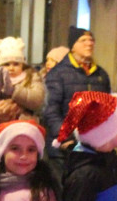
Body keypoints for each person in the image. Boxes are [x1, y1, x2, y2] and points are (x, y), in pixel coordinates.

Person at [42, 27, 111, 163]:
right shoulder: (58, 74)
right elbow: (50, 111)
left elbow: (108, 109)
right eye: (83, 40)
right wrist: (67, 138)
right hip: (64, 148)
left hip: (93, 147)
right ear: (73, 46)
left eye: (91, 40)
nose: (89, 43)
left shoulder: (101, 75)